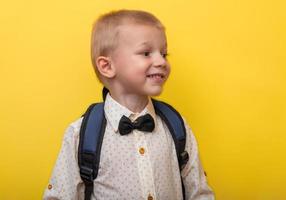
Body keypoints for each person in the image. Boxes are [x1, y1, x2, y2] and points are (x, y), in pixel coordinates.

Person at [43, 9, 215, 200]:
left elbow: (200, 193)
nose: (161, 61)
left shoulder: (176, 126)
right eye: (146, 53)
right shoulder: (79, 134)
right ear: (107, 66)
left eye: (164, 54)